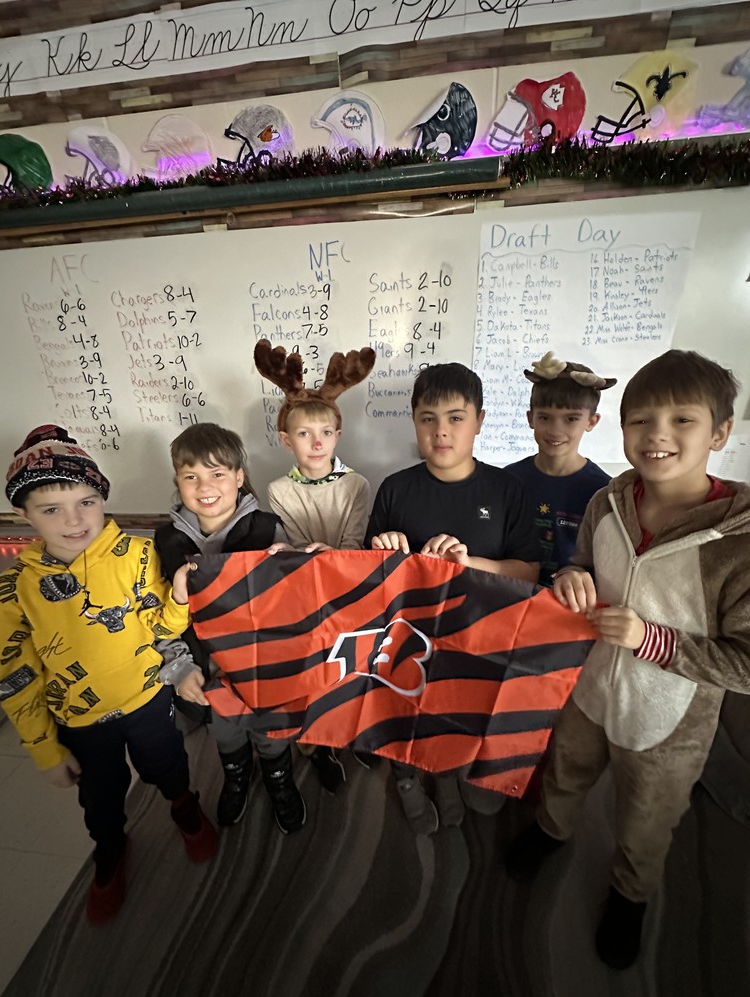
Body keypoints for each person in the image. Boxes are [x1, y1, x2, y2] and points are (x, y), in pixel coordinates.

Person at [506, 349, 750, 970]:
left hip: (669, 722)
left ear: (720, 432)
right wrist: (571, 578)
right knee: (567, 769)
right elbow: (582, 563)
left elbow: (744, 663)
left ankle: (629, 894)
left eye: (682, 421)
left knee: (647, 816)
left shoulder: (738, 541)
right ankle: (551, 831)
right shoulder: (607, 502)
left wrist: (652, 640)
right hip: (588, 690)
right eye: (641, 420)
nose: (658, 435)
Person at [0, 425, 217, 926]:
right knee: (101, 796)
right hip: (80, 721)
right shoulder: (10, 589)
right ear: (23, 514)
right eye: (51, 509)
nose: (74, 520)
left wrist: (178, 599)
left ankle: (183, 806)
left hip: (148, 699)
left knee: (169, 764)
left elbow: (160, 626)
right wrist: (44, 750)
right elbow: (16, 676)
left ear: (101, 498)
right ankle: (110, 849)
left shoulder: (134, 555)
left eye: (86, 502)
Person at [366, 362, 541, 833]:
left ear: (479, 421)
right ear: (414, 421)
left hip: (480, 637)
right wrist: (382, 553)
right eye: (428, 418)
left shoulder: (507, 489)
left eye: (455, 417)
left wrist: (469, 565)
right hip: (409, 638)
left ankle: (453, 772)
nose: (441, 431)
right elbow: (367, 582)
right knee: (402, 710)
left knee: (464, 709)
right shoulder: (394, 488)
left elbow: (528, 573)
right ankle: (407, 776)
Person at [154, 422, 307, 835]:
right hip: (207, 667)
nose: (205, 486)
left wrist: (291, 565)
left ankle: (279, 781)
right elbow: (160, 617)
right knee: (226, 733)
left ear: (239, 477)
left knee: (272, 735)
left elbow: (295, 604)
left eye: (218, 473)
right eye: (191, 476)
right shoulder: (165, 542)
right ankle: (236, 778)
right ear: (178, 482)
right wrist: (180, 667)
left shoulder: (267, 529)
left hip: (263, 667)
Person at [254, 338, 377, 789]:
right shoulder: (277, 491)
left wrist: (327, 556)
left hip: (346, 589)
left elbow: (352, 542)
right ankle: (317, 743)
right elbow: (291, 543)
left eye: (325, 433)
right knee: (311, 669)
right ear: (287, 440)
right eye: (304, 434)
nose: (316, 442)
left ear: (338, 436)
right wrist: (305, 556)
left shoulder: (357, 485)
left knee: (350, 666)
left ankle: (352, 731)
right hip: (304, 594)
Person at [506, 351, 615, 586]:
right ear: (530, 418)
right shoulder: (507, 480)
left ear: (591, 421)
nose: (555, 430)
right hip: (511, 600)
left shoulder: (605, 492)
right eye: (545, 417)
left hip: (570, 609)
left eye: (571, 419)